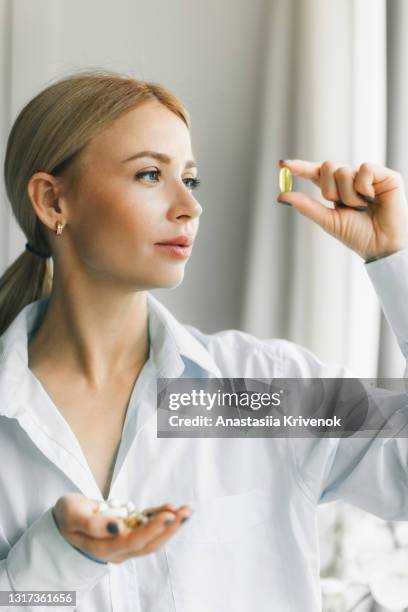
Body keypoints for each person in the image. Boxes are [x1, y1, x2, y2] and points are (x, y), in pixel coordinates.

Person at [0, 70, 406, 612]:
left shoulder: (262, 391)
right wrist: (59, 556)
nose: (189, 207)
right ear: (52, 201)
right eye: (149, 174)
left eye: (189, 180)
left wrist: (393, 261)